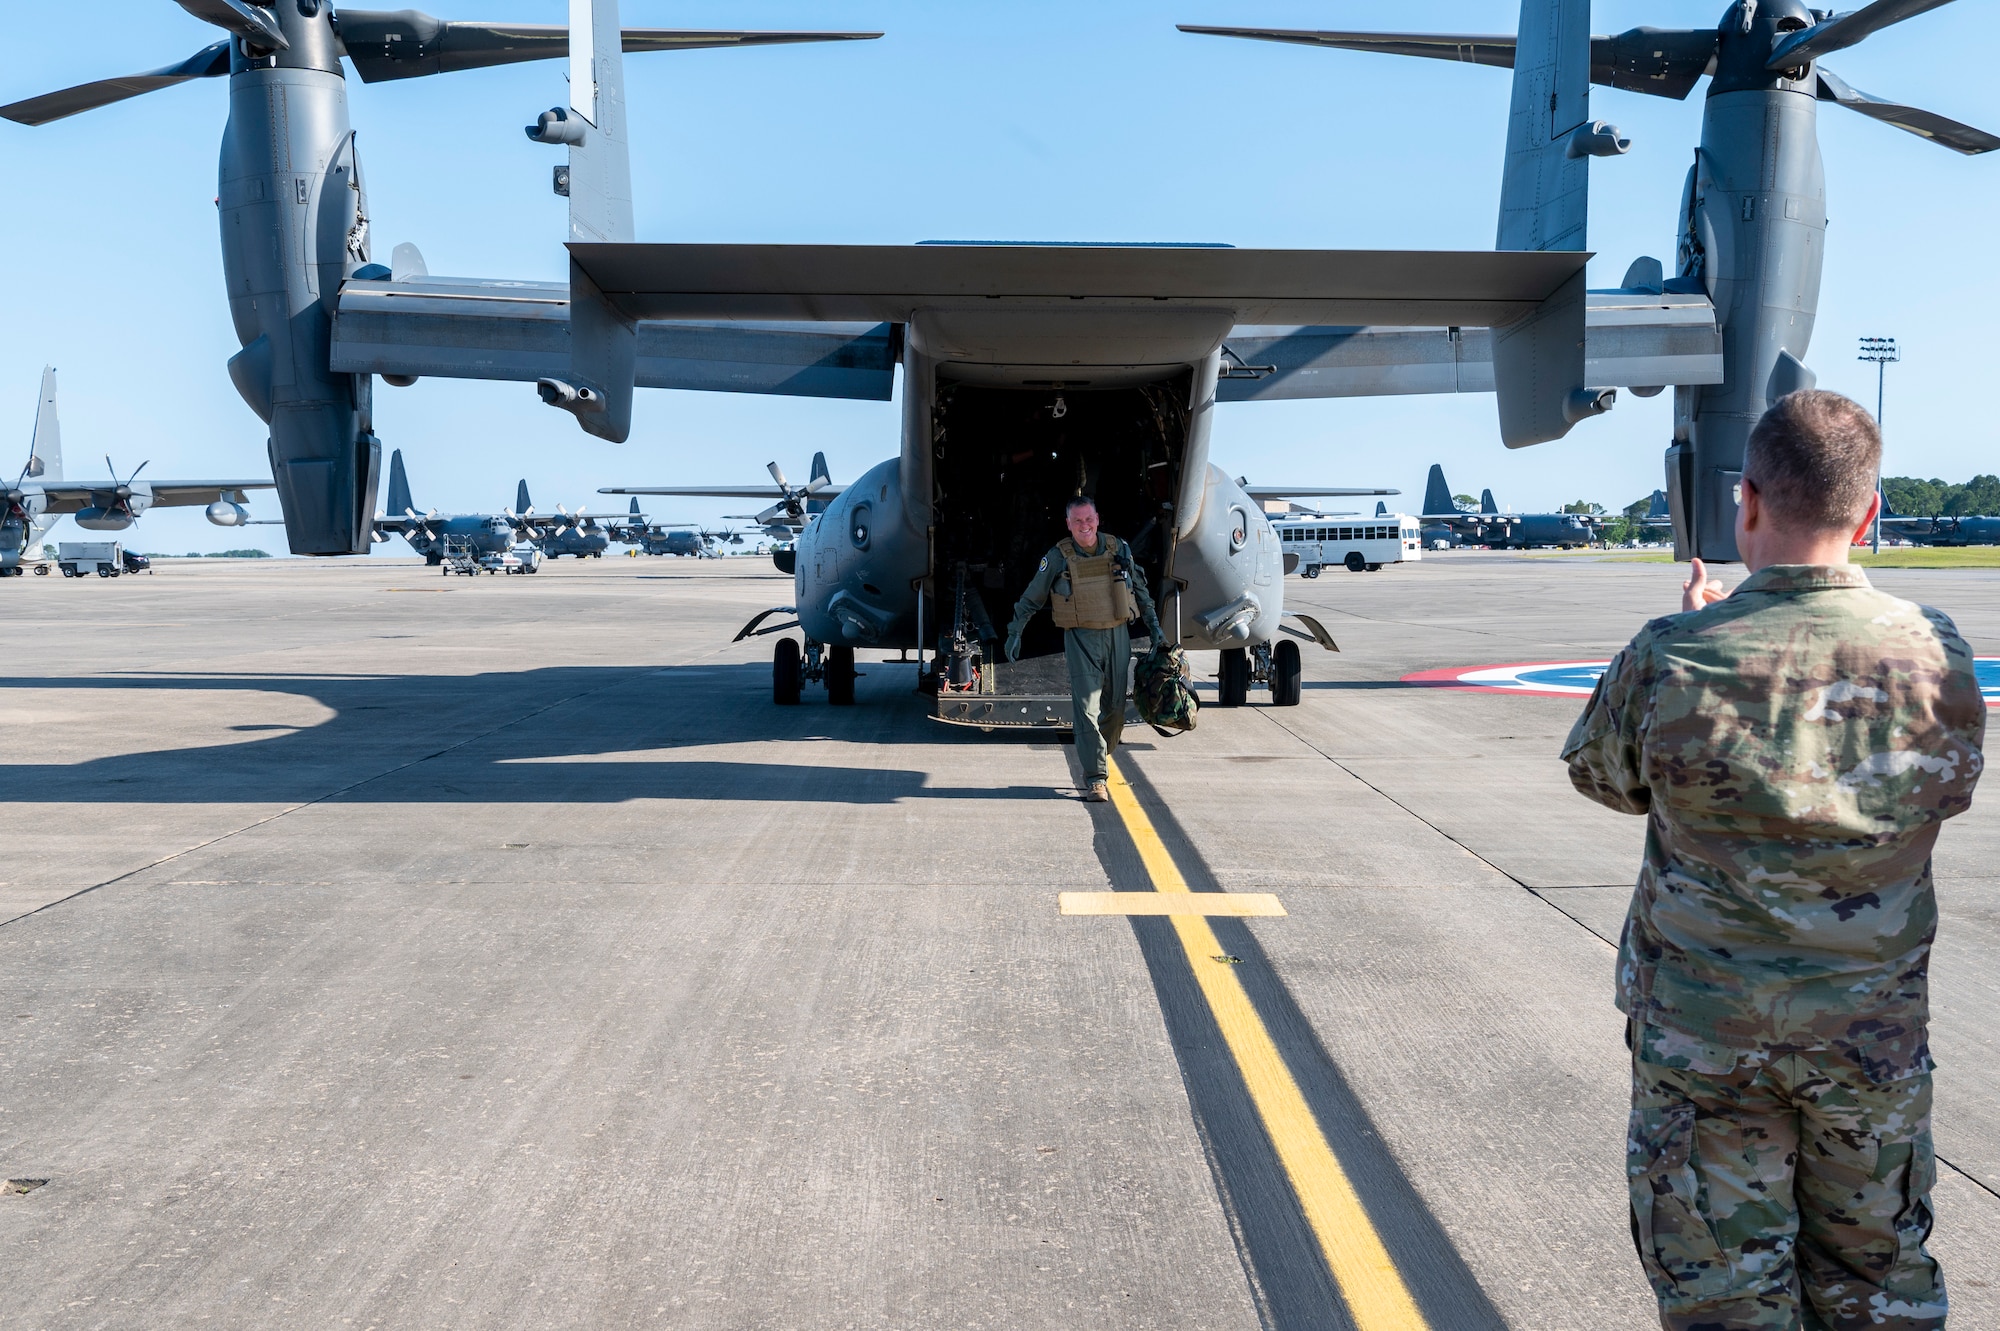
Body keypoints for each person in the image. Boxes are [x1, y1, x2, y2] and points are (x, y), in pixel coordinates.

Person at [1562, 390, 1985, 1331]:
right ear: (1869, 512)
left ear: (1745, 501)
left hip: (1707, 1048)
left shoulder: (1672, 654)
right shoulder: (1936, 653)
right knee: (1878, 1287)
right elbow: (1945, 787)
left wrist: (1704, 632)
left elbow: (1603, 775)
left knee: (1726, 1295)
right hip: (1870, 1047)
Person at [1006, 495, 1164, 802]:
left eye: (1088, 519)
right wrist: (1015, 632)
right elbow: (1032, 597)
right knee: (1087, 710)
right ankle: (1095, 778)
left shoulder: (1119, 549)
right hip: (1081, 639)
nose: (1084, 526)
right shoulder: (1058, 557)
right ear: (1068, 524)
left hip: (1118, 635)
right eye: (1077, 521)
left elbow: (1142, 592)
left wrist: (1156, 629)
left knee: (1116, 710)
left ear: (1098, 519)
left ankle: (1099, 756)